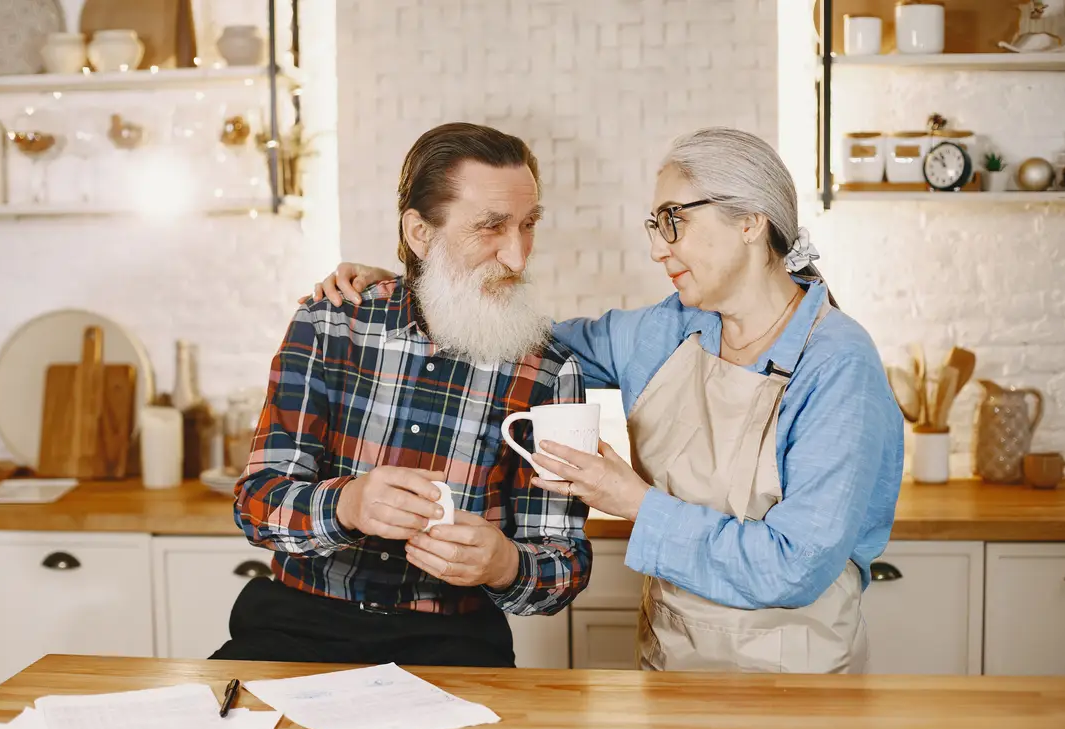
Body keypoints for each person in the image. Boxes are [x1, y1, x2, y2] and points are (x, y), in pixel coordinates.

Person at [312, 127, 904, 673]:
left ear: (750, 221)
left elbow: (794, 566)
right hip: (671, 665)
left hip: (799, 680)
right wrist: (421, 285)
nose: (657, 248)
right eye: (655, 223)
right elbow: (519, 342)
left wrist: (633, 501)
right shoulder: (667, 331)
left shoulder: (837, 363)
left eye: (674, 220)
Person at [211, 122, 592, 668]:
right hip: (296, 627)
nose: (517, 256)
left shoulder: (550, 371)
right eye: (491, 227)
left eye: (528, 225)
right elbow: (256, 504)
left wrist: (506, 564)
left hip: (455, 644)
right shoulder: (328, 324)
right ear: (419, 233)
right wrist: (349, 504)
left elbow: (565, 567)